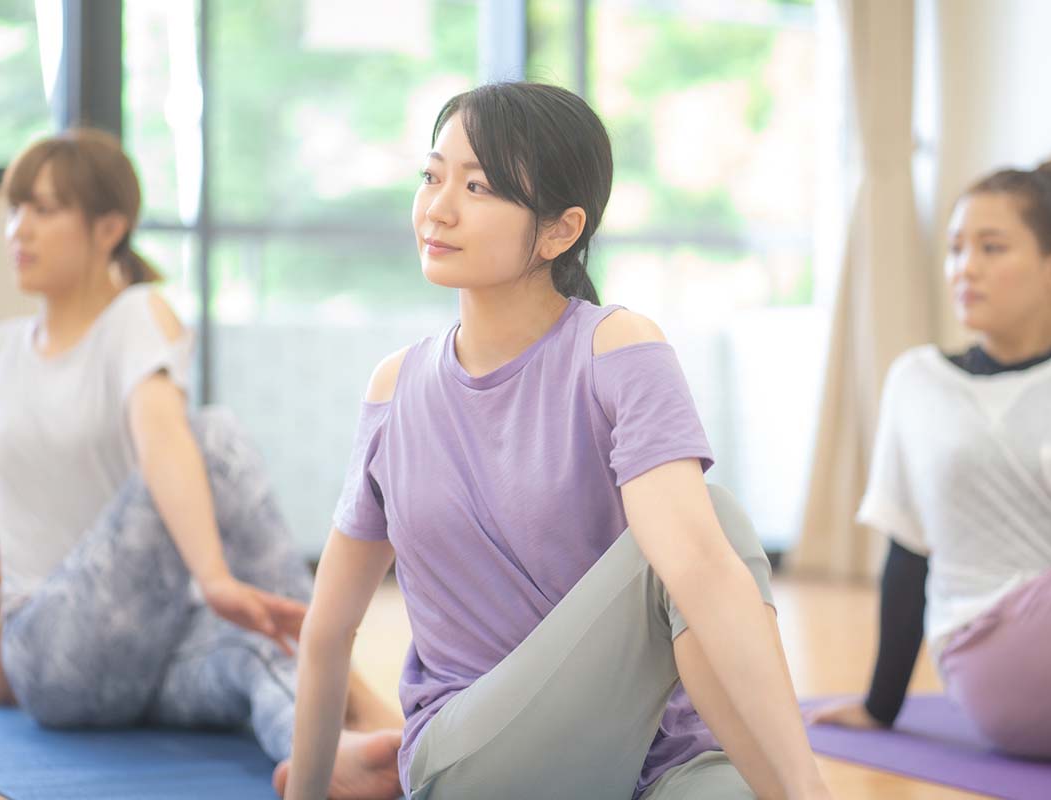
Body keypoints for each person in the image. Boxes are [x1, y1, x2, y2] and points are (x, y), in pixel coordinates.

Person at [282, 82, 831, 799]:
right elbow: (327, 635)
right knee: (712, 519)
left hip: (664, 758)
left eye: (477, 186)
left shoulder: (617, 349)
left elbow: (698, 573)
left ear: (558, 230)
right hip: (482, 759)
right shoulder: (394, 390)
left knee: (703, 539)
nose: (438, 207)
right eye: (432, 175)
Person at [0, 128, 403, 799]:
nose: (19, 229)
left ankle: (325, 753)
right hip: (52, 652)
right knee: (212, 434)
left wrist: (217, 591)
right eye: (16, 209)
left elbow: (160, 434)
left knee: (255, 649)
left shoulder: (133, 316)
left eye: (44, 210)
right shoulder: (0, 351)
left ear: (110, 228)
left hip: (145, 655)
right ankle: (352, 687)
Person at [807, 157, 1051, 761]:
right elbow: (908, 548)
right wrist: (880, 705)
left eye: (991, 248)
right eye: (955, 249)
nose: (964, 268)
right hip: (994, 654)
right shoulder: (919, 380)